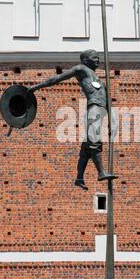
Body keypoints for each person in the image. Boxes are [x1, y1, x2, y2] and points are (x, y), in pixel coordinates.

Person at [29, 49, 118, 190]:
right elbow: (57, 79)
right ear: (85, 60)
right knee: (94, 141)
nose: (98, 60)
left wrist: (112, 122)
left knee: (87, 147)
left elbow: (108, 103)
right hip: (94, 108)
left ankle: (79, 178)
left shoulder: (100, 80)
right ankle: (101, 172)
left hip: (101, 111)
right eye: (94, 58)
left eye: (98, 58)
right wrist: (37, 87)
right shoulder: (81, 69)